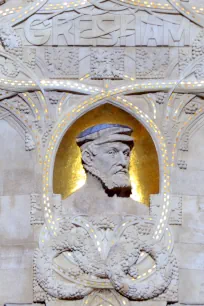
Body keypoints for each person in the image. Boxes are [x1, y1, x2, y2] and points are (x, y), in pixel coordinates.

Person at [62, 123, 149, 215]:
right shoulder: (66, 210)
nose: (123, 162)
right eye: (112, 152)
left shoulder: (142, 213)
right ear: (88, 157)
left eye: (126, 154)